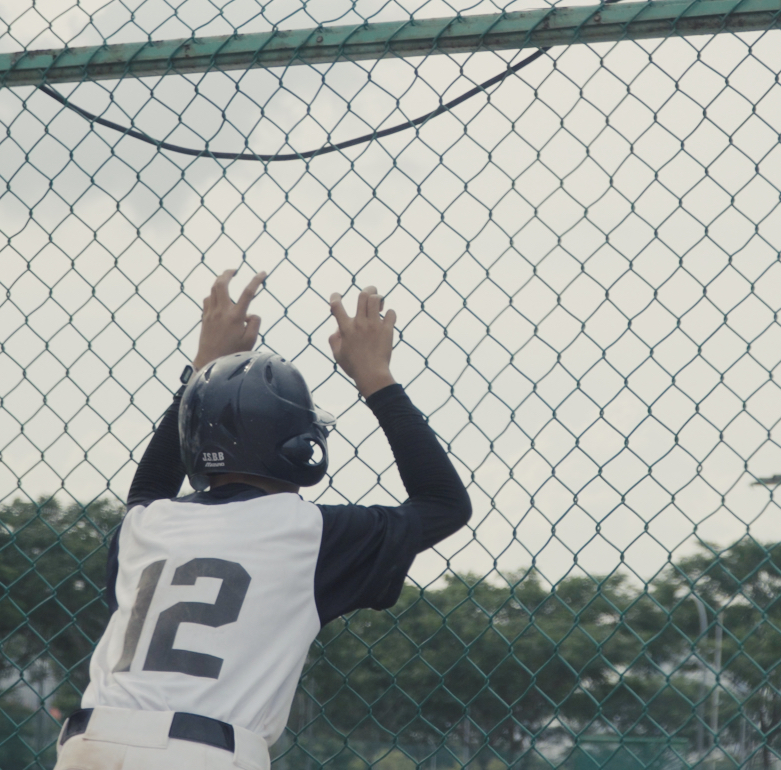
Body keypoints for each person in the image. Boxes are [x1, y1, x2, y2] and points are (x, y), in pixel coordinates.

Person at [55, 269, 472, 770]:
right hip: (201, 754)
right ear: (300, 447)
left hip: (89, 742)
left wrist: (203, 365)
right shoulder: (308, 534)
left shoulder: (148, 524)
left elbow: (148, 486)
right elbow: (444, 502)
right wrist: (376, 380)